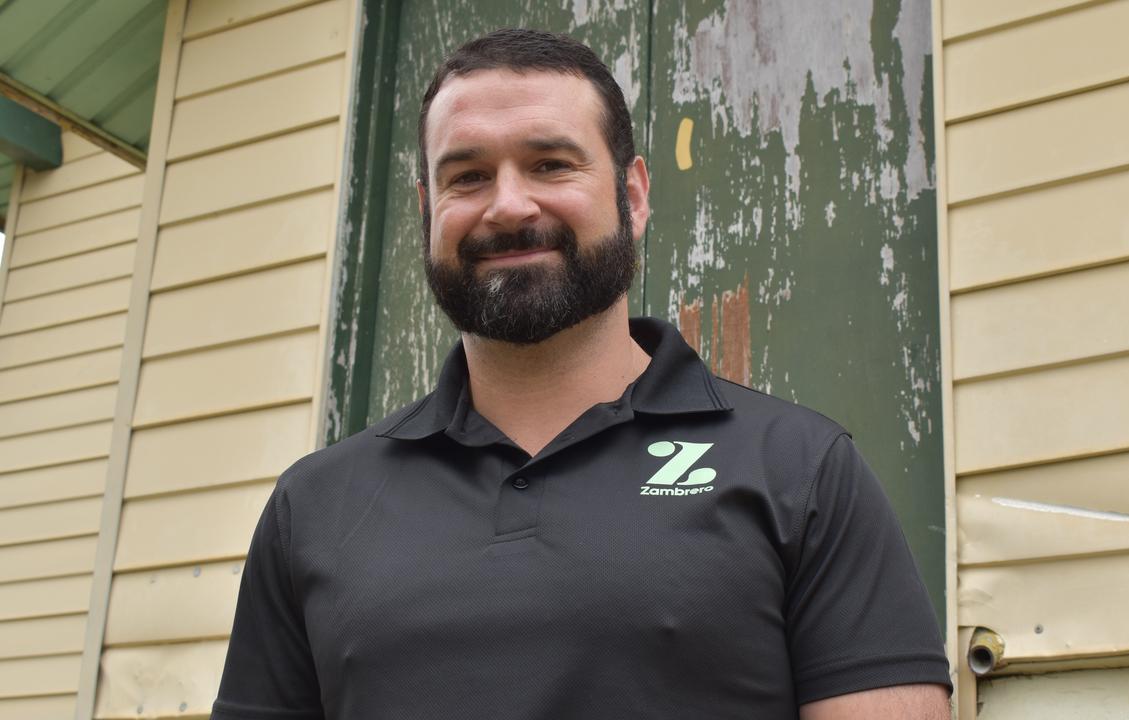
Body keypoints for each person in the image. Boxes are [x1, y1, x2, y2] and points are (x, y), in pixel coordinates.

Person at [211, 28, 951, 720]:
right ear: (427, 210)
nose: (508, 205)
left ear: (632, 196)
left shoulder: (801, 471)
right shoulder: (312, 507)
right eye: (467, 176)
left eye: (550, 164)